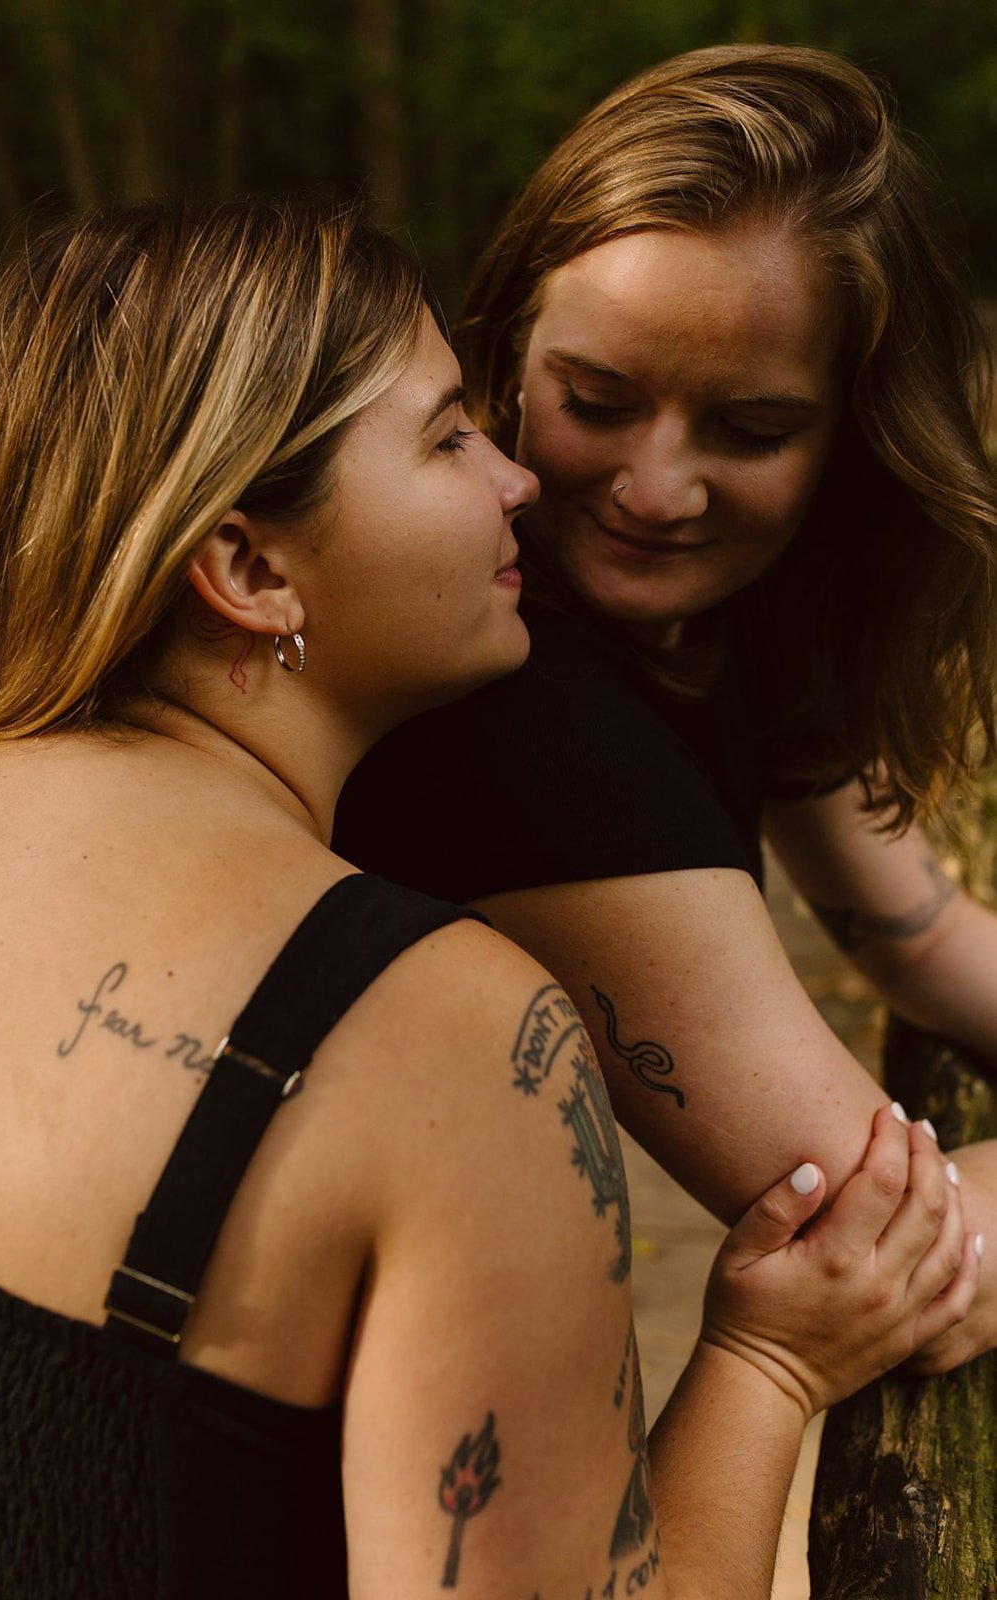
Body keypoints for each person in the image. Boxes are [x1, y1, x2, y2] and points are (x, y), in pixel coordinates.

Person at [0, 196, 977, 1600]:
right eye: (446, 438)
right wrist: (767, 1362)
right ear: (247, 567)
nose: (518, 484)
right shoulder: (446, 1041)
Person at [335, 42, 997, 1376]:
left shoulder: (725, 606)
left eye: (751, 431)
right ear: (511, 347)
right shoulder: (511, 701)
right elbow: (890, 1260)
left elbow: (913, 932)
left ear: (853, 432)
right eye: (598, 401)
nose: (656, 488)